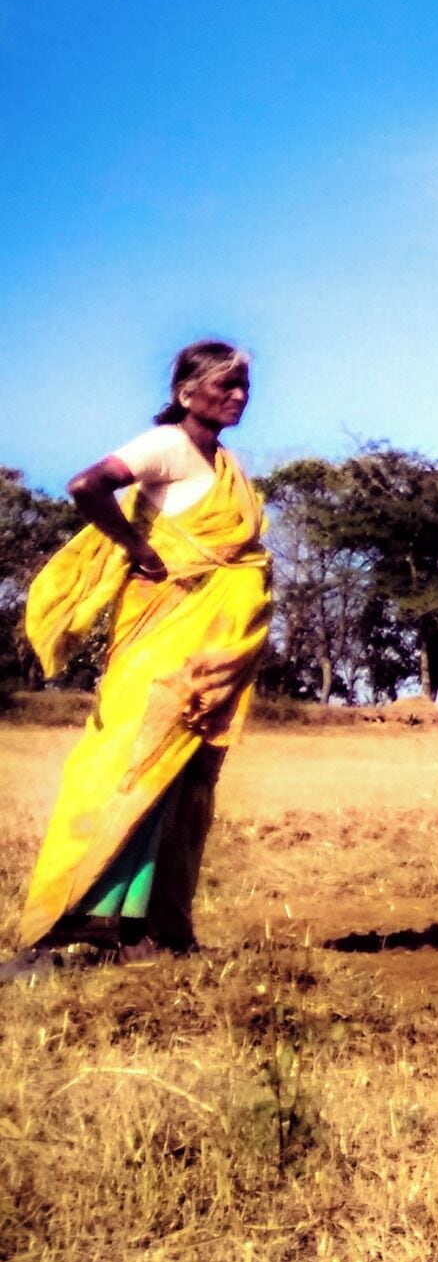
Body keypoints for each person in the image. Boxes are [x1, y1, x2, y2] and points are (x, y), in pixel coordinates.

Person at [9, 341, 271, 969]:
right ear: (186, 393)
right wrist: (136, 546)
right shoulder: (166, 446)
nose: (238, 396)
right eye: (225, 385)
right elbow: (86, 485)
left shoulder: (223, 461)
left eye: (244, 386)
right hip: (159, 640)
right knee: (128, 764)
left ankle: (144, 929)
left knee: (176, 774)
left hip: (204, 649)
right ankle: (77, 924)